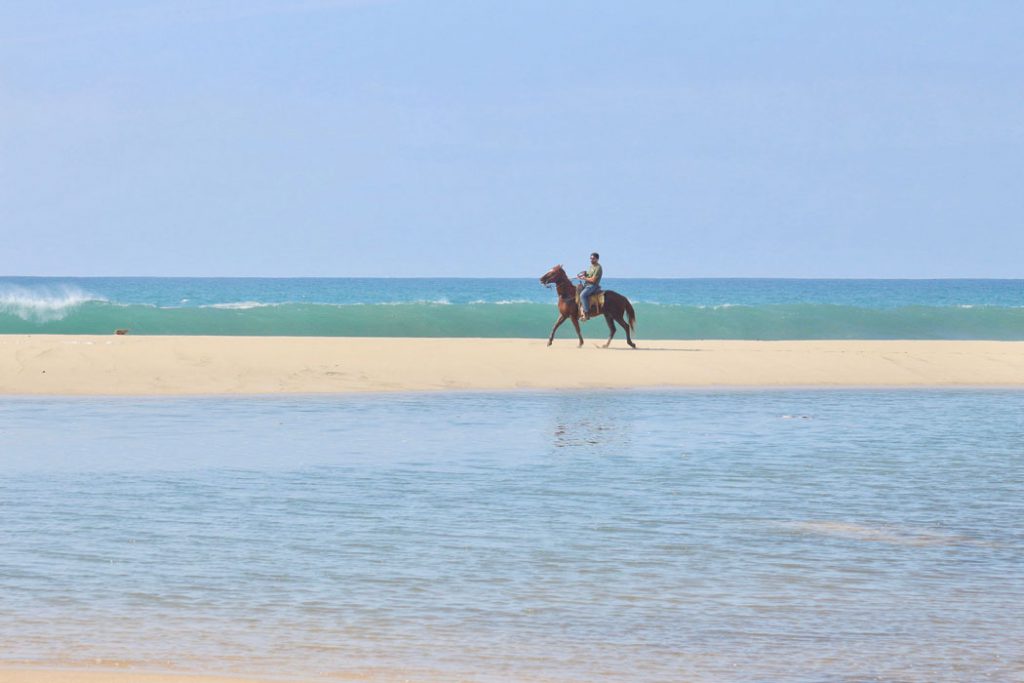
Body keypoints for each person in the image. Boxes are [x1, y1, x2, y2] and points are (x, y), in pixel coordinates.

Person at [577, 252, 603, 320]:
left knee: (582, 295)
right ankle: (579, 310)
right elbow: (588, 276)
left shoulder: (598, 268)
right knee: (576, 290)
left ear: (597, 259)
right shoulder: (591, 266)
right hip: (587, 284)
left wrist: (584, 278)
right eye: (591, 258)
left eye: (593, 259)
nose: (591, 260)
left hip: (593, 286)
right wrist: (584, 274)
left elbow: (593, 280)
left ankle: (586, 314)